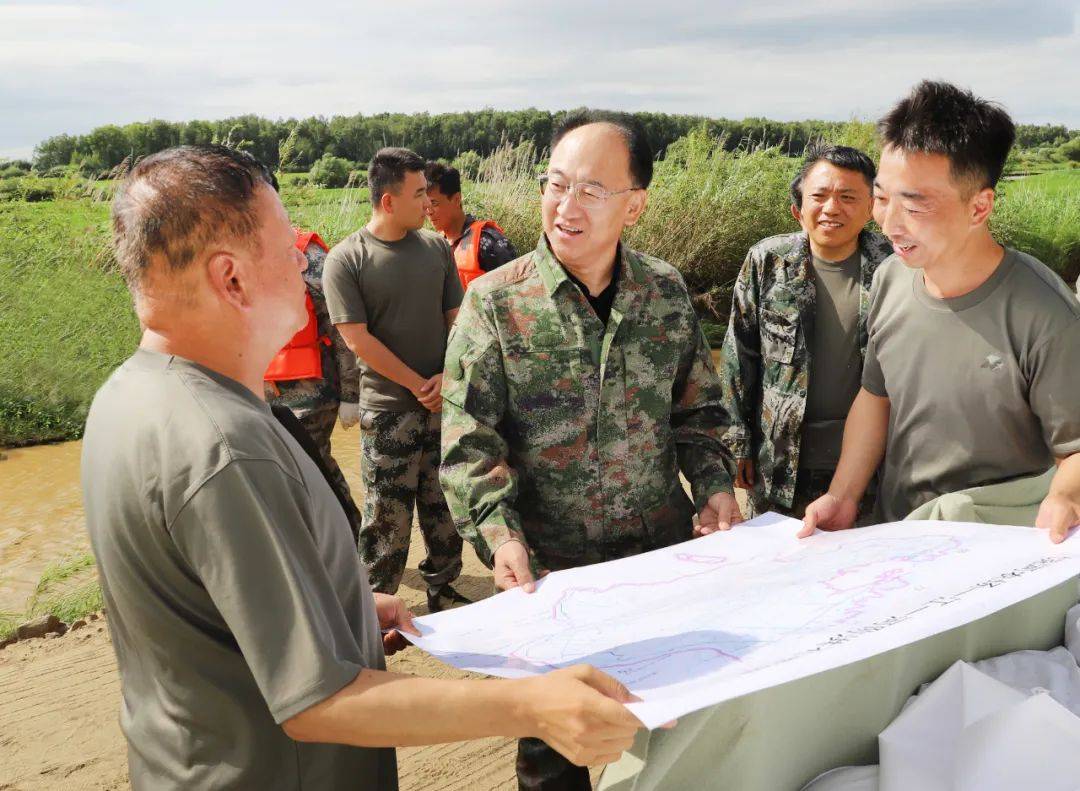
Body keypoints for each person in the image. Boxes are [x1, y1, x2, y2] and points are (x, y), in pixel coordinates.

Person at [83, 144, 646, 791]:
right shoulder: (224, 445)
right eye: (282, 242)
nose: (302, 258)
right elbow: (320, 702)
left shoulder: (130, 394)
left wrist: (342, 608)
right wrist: (532, 705)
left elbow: (201, 609)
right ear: (231, 278)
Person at [440, 110, 741, 790]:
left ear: (634, 204)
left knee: (681, 736)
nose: (565, 205)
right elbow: (469, 444)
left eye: (591, 190)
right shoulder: (494, 304)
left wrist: (716, 485)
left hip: (660, 562)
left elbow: (699, 412)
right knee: (556, 757)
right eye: (555, 184)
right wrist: (500, 536)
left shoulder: (663, 294)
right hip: (554, 578)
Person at [798, 81, 1080, 542]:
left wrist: (1065, 497)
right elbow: (876, 397)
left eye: (914, 203)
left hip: (991, 553)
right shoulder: (891, 278)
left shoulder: (1045, 315)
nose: (889, 223)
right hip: (897, 537)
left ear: (979, 206)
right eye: (884, 198)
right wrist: (844, 496)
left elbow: (1075, 451)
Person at [322, 147, 469, 612]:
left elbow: (458, 320)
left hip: (441, 403)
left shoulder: (434, 250)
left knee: (444, 504)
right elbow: (356, 339)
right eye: (420, 193)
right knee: (386, 516)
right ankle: (379, 608)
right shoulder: (347, 259)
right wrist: (416, 384)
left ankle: (443, 588)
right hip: (387, 413)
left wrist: (446, 377)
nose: (429, 202)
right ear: (388, 201)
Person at [720, 145, 893, 519]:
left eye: (848, 197)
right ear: (798, 209)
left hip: (875, 465)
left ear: (872, 207)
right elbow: (739, 355)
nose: (832, 208)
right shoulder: (767, 261)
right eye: (820, 196)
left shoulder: (895, 268)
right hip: (781, 463)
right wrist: (737, 444)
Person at [264, 219, 363, 544]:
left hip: (312, 392)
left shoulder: (311, 256)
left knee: (315, 467)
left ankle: (350, 539)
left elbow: (341, 326)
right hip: (263, 390)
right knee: (280, 473)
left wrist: (352, 393)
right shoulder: (235, 253)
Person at [425, 160, 518, 289]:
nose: (428, 212)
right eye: (425, 205)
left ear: (456, 199)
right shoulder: (438, 243)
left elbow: (515, 291)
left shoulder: (487, 241)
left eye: (434, 203)